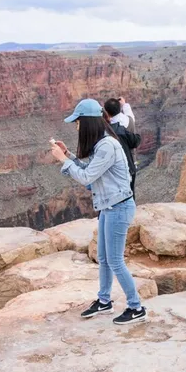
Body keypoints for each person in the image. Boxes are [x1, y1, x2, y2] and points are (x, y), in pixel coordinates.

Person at [51, 99, 147, 323]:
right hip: (109, 207)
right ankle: (104, 301)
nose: (76, 127)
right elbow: (90, 174)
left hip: (119, 207)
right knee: (104, 258)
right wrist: (70, 156)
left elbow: (86, 178)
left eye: (78, 122)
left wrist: (63, 159)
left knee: (115, 260)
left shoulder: (106, 146)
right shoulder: (101, 144)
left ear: (87, 123)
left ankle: (136, 307)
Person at [103, 98, 142, 194]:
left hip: (114, 166)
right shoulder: (129, 120)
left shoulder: (107, 129)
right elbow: (130, 114)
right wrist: (124, 105)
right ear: (119, 109)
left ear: (106, 112)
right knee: (130, 191)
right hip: (130, 161)